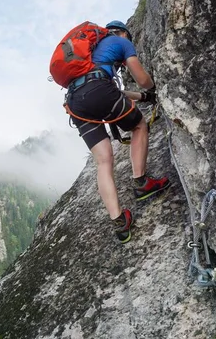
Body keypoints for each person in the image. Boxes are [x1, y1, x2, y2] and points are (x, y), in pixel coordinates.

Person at [65, 20, 170, 243]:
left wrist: (143, 98)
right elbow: (142, 79)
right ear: (123, 33)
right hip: (99, 90)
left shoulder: (90, 53)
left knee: (103, 161)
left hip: (74, 102)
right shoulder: (120, 42)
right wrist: (154, 89)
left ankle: (120, 223)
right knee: (139, 125)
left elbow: (113, 91)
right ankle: (141, 183)